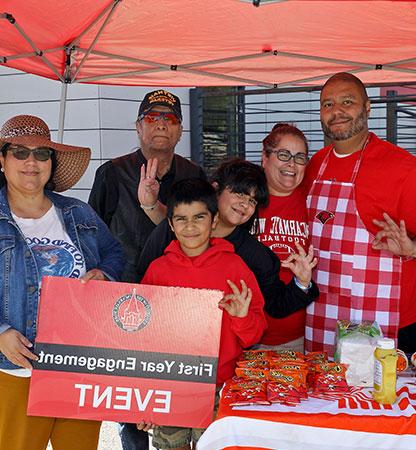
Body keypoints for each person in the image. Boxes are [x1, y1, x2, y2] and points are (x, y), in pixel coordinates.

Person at [303, 72, 416, 357]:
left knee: (388, 397)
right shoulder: (314, 165)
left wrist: (415, 247)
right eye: (327, 104)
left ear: (367, 107)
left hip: (389, 320)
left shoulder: (402, 167)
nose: (336, 111)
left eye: (347, 101)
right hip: (323, 315)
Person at [0, 115, 124, 450]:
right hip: (15, 369)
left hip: (77, 366)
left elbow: (115, 254)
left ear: (52, 163)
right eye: (19, 152)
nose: (31, 162)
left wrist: (104, 274)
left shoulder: (78, 213)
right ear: (2, 159)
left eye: (42, 153)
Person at [137, 178, 267, 450]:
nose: (191, 226)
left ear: (214, 220)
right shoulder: (158, 271)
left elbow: (254, 333)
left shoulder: (235, 268)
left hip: (219, 385)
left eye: (199, 217)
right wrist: (145, 395)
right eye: (181, 219)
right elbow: (142, 340)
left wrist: (242, 317)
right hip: (171, 385)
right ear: (170, 224)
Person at [138, 159, 318, 332]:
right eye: (240, 193)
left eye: (252, 201)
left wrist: (302, 282)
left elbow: (276, 305)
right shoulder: (175, 231)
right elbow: (143, 282)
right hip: (170, 344)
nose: (245, 204)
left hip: (230, 351)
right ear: (216, 189)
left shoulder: (254, 255)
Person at [89, 89, 206, 283]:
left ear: (180, 131)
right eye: (152, 118)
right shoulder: (112, 172)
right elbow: (92, 234)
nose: (161, 125)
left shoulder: (193, 174)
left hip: (181, 283)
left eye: (170, 119)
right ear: (138, 127)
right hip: (126, 287)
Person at [256, 123, 316, 352]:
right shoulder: (244, 198)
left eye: (300, 157)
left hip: (299, 338)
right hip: (246, 336)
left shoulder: (314, 199)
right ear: (265, 158)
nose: (292, 163)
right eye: (283, 155)